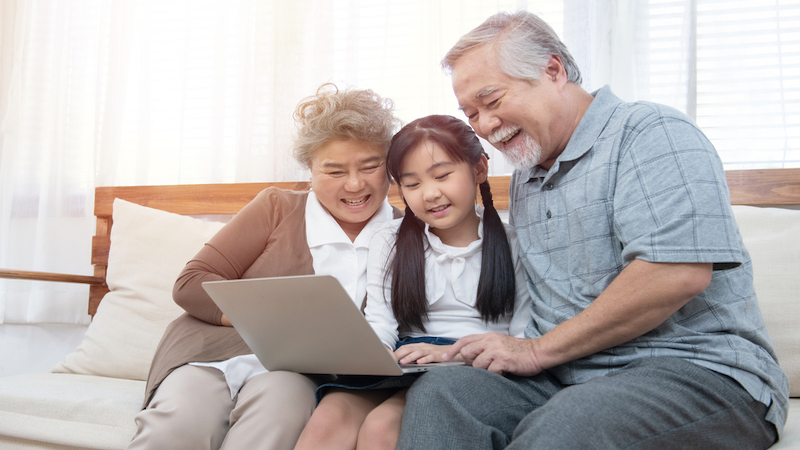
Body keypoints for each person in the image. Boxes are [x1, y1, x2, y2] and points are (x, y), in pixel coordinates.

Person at [397, 11, 789, 450]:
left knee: (566, 428)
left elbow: (676, 273)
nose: (484, 125)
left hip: (696, 372)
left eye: (492, 101)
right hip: (568, 376)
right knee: (442, 395)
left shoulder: (651, 133)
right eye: (470, 113)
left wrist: (535, 351)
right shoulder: (529, 173)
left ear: (553, 70)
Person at [127, 82, 403, 450]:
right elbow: (191, 283)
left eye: (370, 166)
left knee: (278, 417)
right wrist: (263, 321)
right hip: (213, 356)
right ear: (310, 169)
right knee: (177, 426)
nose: (355, 184)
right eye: (334, 171)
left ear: (391, 168)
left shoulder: (406, 236)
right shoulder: (277, 207)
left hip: (294, 374)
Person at [293, 114, 532, 450]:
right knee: (328, 421)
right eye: (412, 184)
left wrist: (449, 354)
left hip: (474, 366)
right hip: (408, 360)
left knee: (381, 428)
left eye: (442, 176)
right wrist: (373, 354)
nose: (430, 194)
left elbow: (522, 337)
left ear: (479, 169)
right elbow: (381, 322)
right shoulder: (388, 239)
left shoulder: (514, 242)